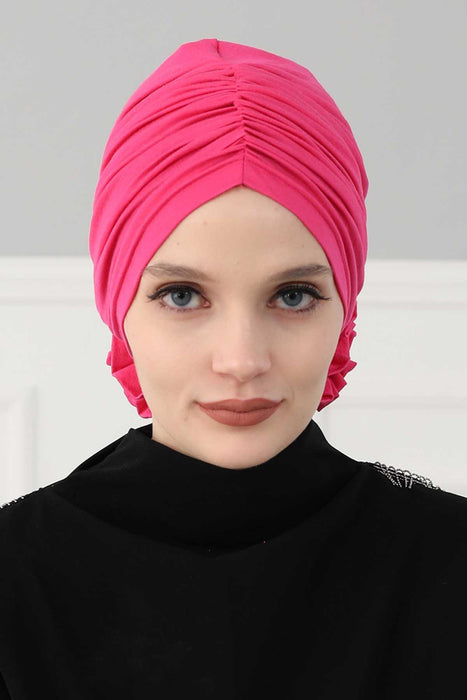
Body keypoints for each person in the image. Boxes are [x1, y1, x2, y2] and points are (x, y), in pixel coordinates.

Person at [1, 38, 466, 699]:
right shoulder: (14, 580)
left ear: (345, 309)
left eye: (293, 296)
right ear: (118, 308)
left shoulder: (451, 563)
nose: (242, 361)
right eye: (182, 296)